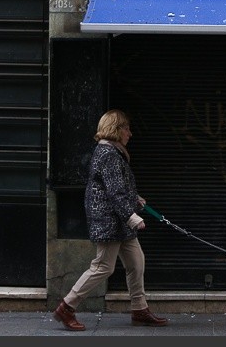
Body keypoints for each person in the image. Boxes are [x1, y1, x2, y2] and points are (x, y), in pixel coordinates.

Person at [53, 109, 168, 331]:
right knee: (103, 267)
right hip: (110, 220)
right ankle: (66, 307)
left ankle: (139, 309)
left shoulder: (114, 152)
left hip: (119, 221)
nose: (130, 133)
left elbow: (115, 187)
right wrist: (133, 217)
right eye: (126, 128)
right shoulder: (108, 153)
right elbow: (114, 192)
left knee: (136, 262)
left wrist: (135, 198)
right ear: (116, 129)